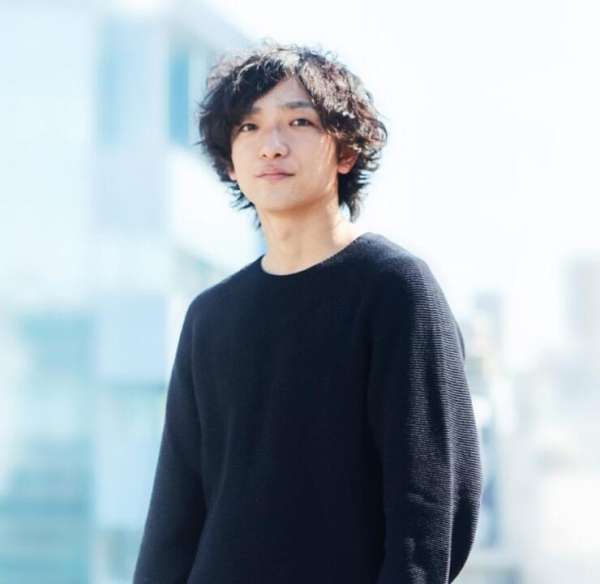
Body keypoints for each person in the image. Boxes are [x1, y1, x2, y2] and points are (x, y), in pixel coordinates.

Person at [133, 40, 483, 584]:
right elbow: (173, 518)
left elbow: (428, 508)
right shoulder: (210, 317)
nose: (271, 146)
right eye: (248, 127)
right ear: (230, 161)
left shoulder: (395, 288)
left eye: (298, 122)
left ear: (346, 152)